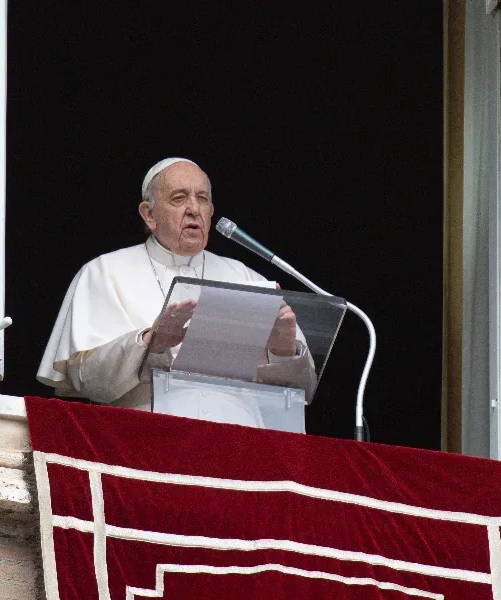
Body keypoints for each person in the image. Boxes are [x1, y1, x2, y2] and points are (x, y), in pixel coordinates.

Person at [36, 158, 316, 429]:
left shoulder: (246, 278)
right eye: (179, 198)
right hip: (146, 438)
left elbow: (299, 395)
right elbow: (86, 378)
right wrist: (149, 343)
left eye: (202, 199)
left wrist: (283, 350)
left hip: (241, 445)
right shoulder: (104, 272)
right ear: (149, 215)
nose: (194, 209)